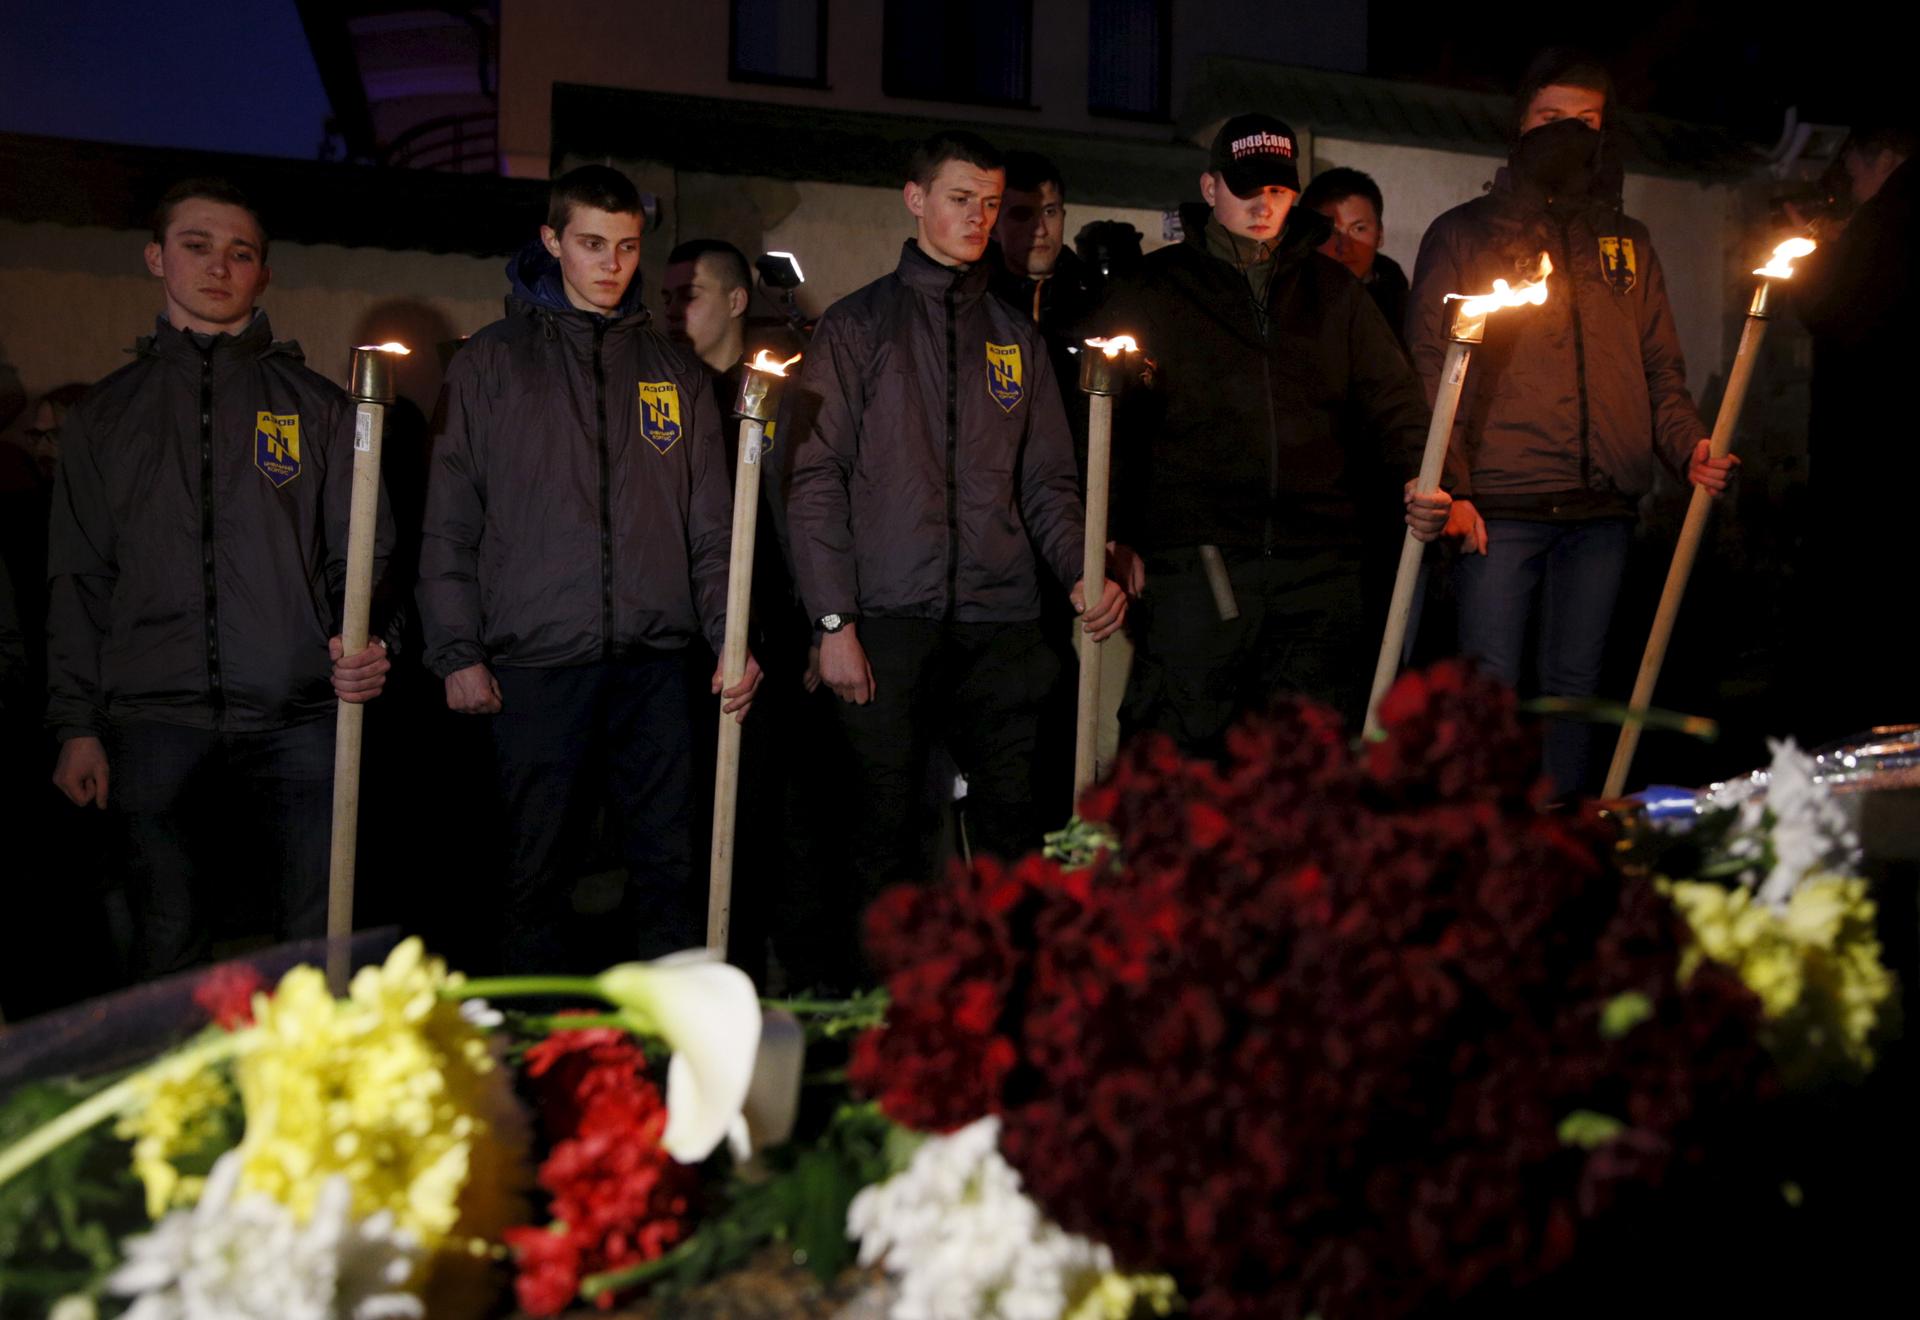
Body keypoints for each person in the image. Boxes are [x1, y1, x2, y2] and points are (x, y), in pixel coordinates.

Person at [44, 178, 395, 978]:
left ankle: (312, 1098)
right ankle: (188, 1096)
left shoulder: (318, 406)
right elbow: (78, 577)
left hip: (297, 713)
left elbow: (367, 555)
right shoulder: (106, 414)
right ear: (155, 258)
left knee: (316, 941)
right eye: (197, 245)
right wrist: (75, 724)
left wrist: (372, 641)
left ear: (263, 275)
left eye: (241, 252)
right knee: (167, 941)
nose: (218, 266)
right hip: (153, 720)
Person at [420, 165, 758, 972]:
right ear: (552, 242)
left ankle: (670, 1059)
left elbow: (711, 527)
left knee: (670, 873)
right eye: (591, 244)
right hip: (536, 666)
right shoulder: (492, 365)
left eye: (628, 247)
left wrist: (729, 636)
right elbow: (450, 521)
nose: (611, 265)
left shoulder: (675, 372)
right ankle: (533, 1059)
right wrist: (456, 651)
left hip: (655, 667)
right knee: (532, 876)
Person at [786, 130, 1126, 913]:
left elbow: (1046, 481)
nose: (978, 218)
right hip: (888, 623)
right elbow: (815, 480)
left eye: (990, 204)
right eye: (960, 199)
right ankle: (887, 1012)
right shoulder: (856, 326)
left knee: (1014, 834)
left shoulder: (1016, 338)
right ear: (916, 199)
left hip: (1000, 625)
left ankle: (1007, 1007)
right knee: (886, 834)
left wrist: (1081, 569)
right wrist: (833, 619)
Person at [1406, 50, 1737, 799]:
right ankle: (1485, 844)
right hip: (1500, 505)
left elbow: (1659, 367)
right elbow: (1432, 369)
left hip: (1602, 508)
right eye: (1551, 120)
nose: (1567, 137)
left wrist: (1688, 444)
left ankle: (1565, 845)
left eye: (1585, 123)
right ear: (1519, 124)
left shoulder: (1628, 241)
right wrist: (1450, 486)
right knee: (1490, 688)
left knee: (1577, 688)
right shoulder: (1464, 235)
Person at [1097, 113, 1449, 751]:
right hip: (1200, 564)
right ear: (1210, 189)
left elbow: (1393, 401)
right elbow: (1111, 424)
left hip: (1319, 566)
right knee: (1180, 754)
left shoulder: (1336, 293)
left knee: (1303, 762)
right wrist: (1111, 534)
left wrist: (1428, 480)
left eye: (1280, 191)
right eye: (1247, 187)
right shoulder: (1155, 288)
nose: (1264, 205)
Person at [1791, 120, 1918, 741]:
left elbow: (1831, 306)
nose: (1855, 186)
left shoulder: (1893, 217)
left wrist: (1818, 257)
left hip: (1875, 457)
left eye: (1857, 171)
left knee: (1870, 627)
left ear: (1884, 155)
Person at [1300, 167, 1410, 351]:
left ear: (1380, 234)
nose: (1345, 246)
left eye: (1359, 229)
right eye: (1331, 232)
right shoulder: (1288, 304)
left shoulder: (1404, 311)